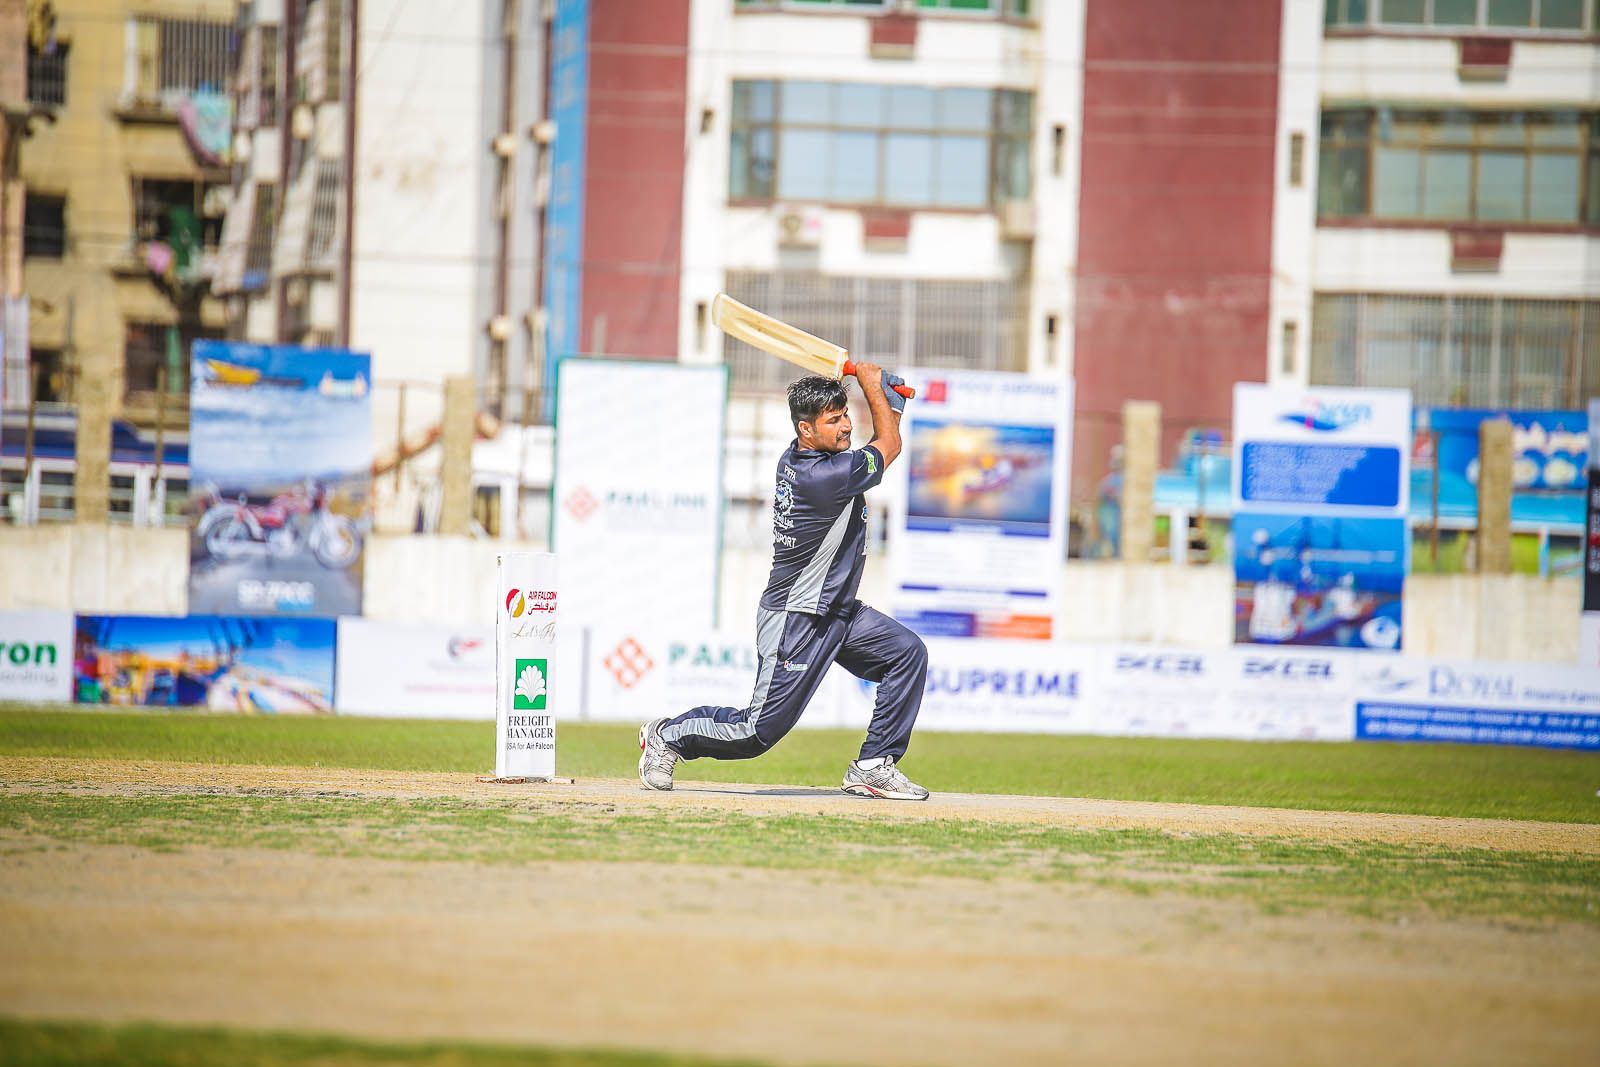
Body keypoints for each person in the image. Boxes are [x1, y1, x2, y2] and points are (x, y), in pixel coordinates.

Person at [638, 364, 931, 801]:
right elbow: (888, 445)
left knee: (906, 654)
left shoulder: (811, 460)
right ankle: (667, 735)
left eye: (845, 415)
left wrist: (891, 404)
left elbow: (883, 444)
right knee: (757, 732)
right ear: (805, 429)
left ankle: (873, 766)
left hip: (838, 611)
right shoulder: (825, 477)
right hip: (797, 618)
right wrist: (874, 388)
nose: (846, 426)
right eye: (834, 420)